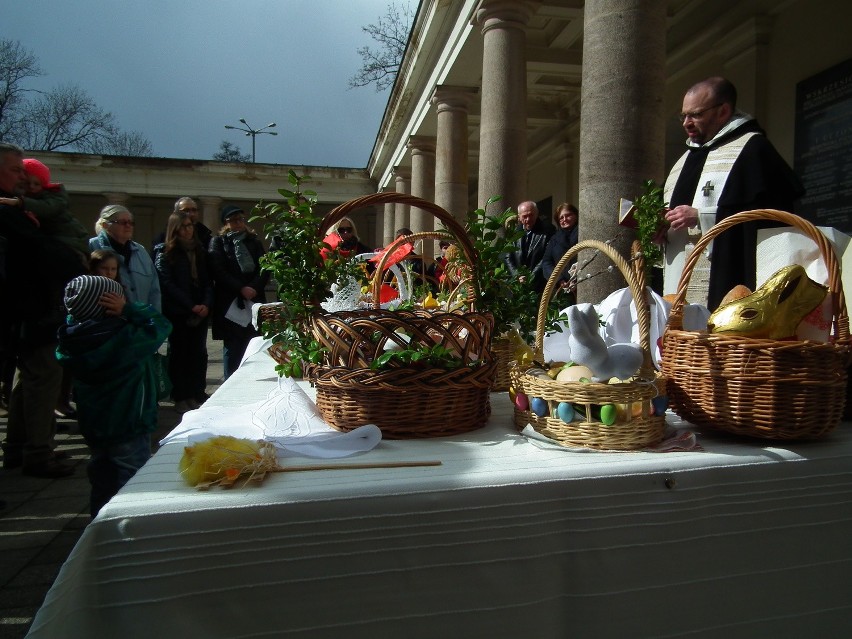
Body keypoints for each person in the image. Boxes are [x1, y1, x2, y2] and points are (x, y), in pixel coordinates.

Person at [662, 76, 804, 310]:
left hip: (727, 270)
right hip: (679, 275)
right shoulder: (685, 159)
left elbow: (766, 214)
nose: (686, 122)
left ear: (723, 111)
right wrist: (663, 231)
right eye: (683, 115)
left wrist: (703, 215)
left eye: (695, 114)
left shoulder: (753, 149)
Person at [0, 144, 86, 477]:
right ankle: (37, 452)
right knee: (43, 379)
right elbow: (42, 252)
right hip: (33, 308)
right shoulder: (9, 209)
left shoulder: (27, 208)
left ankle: (19, 449)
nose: (21, 175)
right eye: (14, 169)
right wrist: (72, 258)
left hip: (31, 308)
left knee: (29, 379)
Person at [56, 275, 171, 517]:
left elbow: (76, 316)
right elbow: (160, 325)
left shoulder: (72, 339)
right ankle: (130, 530)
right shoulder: (125, 338)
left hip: (95, 425)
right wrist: (129, 309)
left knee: (101, 476)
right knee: (133, 481)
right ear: (107, 306)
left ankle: (98, 525)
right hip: (129, 423)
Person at [155, 212, 213, 413]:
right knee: (180, 356)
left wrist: (205, 303)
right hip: (179, 312)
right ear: (175, 229)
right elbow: (167, 284)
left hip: (200, 311)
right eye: (184, 226)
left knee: (197, 355)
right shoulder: (166, 252)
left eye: (190, 225)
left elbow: (206, 281)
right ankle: (181, 396)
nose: (188, 229)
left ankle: (195, 393)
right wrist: (190, 305)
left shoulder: (199, 251)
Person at [208, 205, 268, 379]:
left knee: (253, 344)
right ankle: (230, 381)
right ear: (226, 223)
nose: (238, 223)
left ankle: (252, 381)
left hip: (253, 300)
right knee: (233, 347)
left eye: (241, 219)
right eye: (233, 220)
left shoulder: (253, 241)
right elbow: (218, 270)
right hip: (230, 302)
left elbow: (264, 268)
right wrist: (240, 288)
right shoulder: (218, 242)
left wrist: (253, 287)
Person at [89, 204, 162, 311]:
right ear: (105, 225)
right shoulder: (92, 247)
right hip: (107, 321)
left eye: (131, 223)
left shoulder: (141, 251)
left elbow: (154, 291)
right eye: (123, 222)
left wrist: (154, 320)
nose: (128, 226)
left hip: (141, 321)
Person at [504, 200, 554, 296]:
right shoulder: (514, 233)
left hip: (539, 285)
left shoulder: (548, 231)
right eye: (524, 216)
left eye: (531, 215)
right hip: (518, 285)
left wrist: (531, 277)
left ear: (536, 214)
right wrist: (517, 275)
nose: (528, 219)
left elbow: (546, 257)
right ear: (519, 217)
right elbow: (508, 257)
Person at [540, 203, 580, 294]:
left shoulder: (583, 233)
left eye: (568, 215)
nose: (564, 219)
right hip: (563, 288)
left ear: (576, 216)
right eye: (561, 218)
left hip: (582, 282)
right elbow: (546, 262)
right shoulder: (554, 240)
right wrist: (559, 280)